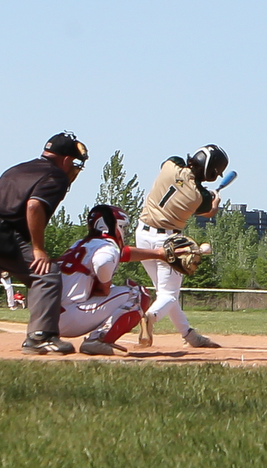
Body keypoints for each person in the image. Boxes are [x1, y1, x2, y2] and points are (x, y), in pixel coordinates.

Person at [0, 132, 88, 355]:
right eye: (73, 162)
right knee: (46, 273)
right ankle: (41, 337)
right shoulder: (56, 174)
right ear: (65, 159)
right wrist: (38, 249)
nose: (73, 168)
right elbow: (34, 206)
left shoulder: (20, 167)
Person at [136, 144, 227, 349]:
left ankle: (189, 335)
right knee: (168, 295)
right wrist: (215, 200)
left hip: (142, 234)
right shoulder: (199, 197)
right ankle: (150, 318)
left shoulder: (171, 163)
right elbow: (209, 212)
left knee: (166, 293)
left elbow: (180, 181)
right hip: (168, 242)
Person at [56, 205, 166, 355]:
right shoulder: (107, 246)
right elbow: (103, 261)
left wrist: (159, 253)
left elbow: (124, 253)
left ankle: (39, 336)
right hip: (70, 318)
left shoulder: (81, 244)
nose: (124, 232)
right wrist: (105, 286)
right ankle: (98, 340)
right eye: (122, 227)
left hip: (48, 317)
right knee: (137, 294)